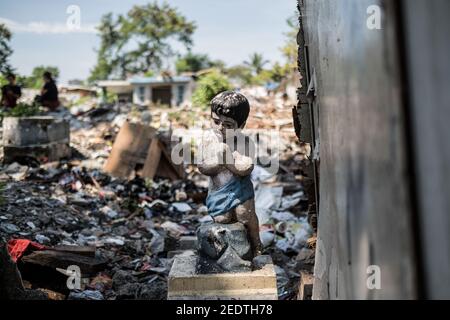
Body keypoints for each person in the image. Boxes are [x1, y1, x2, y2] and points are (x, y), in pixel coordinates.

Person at [198, 91, 262, 257]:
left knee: (245, 216)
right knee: (222, 220)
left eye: (227, 125)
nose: (220, 128)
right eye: (216, 121)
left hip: (240, 189)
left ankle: (256, 244)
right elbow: (203, 167)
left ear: (241, 125)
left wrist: (229, 162)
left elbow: (246, 168)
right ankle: (228, 251)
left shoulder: (245, 142)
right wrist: (219, 163)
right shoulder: (207, 139)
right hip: (218, 190)